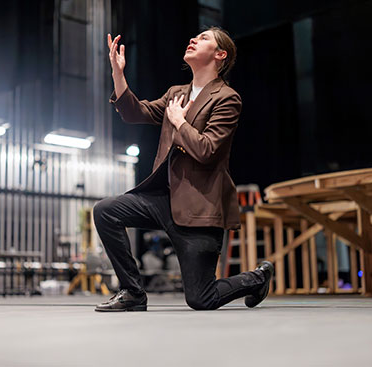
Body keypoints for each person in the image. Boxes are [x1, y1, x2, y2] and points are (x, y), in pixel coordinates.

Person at [94, 27, 273, 312]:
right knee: (106, 210)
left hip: (198, 209)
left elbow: (206, 150)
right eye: (194, 36)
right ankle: (132, 292)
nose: (192, 39)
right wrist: (118, 74)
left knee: (202, 299)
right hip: (162, 200)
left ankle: (256, 278)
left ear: (219, 54)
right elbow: (134, 113)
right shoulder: (176, 93)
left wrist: (179, 122)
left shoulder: (227, 98)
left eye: (203, 38)